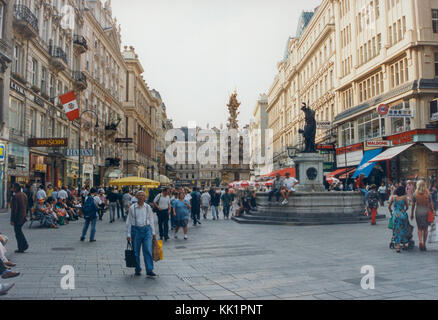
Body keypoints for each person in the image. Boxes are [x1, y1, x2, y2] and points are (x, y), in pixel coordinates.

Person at [126, 191, 157, 278]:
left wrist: (153, 232)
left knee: (147, 249)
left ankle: (149, 269)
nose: (141, 197)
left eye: (143, 195)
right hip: (135, 230)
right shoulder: (132, 207)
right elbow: (129, 221)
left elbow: (151, 220)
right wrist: (128, 234)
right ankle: (137, 268)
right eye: (139, 195)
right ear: (136, 197)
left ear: (145, 197)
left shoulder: (148, 207)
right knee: (136, 251)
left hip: (147, 230)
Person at [411, 180, 435, 251]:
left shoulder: (415, 194)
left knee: (419, 228)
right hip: (426, 211)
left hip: (418, 211)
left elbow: (413, 205)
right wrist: (433, 212)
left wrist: (412, 214)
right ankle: (424, 243)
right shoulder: (428, 194)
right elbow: (431, 204)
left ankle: (420, 242)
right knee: (425, 229)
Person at [389, 186, 410, 253]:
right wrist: (404, 210)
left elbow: (389, 206)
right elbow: (407, 207)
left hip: (396, 214)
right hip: (403, 215)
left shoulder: (393, 197)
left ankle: (398, 247)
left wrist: (391, 211)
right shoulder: (405, 197)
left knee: (397, 230)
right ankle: (403, 245)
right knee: (404, 229)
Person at [10, 183, 29, 254]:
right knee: (19, 231)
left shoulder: (16, 196)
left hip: (18, 217)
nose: (12, 189)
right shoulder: (24, 195)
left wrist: (12, 220)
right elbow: (27, 206)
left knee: (18, 232)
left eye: (13, 188)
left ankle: (22, 246)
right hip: (23, 216)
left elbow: (14, 210)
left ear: (16, 188)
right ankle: (23, 245)